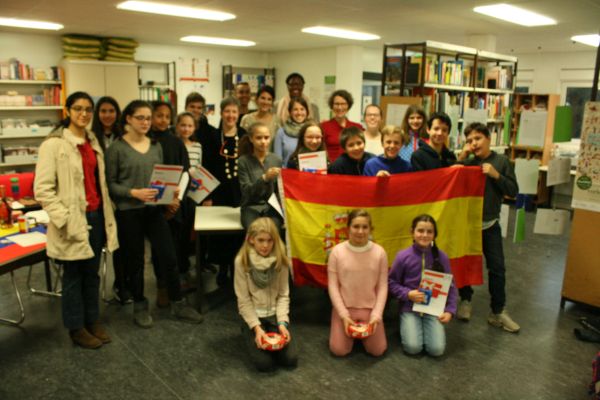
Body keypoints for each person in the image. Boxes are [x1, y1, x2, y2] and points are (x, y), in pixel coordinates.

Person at [105, 100, 203, 328]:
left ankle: (178, 303)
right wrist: (133, 192)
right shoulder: (116, 149)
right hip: (129, 212)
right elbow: (110, 185)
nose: (145, 122)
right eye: (140, 118)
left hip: (154, 211)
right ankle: (139, 306)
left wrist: (170, 192)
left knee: (169, 257)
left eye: (148, 118)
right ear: (128, 119)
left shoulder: (155, 146)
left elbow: (159, 178)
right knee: (136, 262)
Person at [34, 91, 118, 349]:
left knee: (92, 274)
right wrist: (64, 218)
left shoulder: (92, 141)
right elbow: (43, 190)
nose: (84, 114)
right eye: (78, 108)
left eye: (88, 109)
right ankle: (76, 328)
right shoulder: (53, 144)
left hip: (96, 215)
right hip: (73, 219)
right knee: (73, 276)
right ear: (67, 111)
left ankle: (92, 320)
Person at [455, 122, 520, 333]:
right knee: (465, 264)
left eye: (478, 138)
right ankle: (465, 300)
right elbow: (450, 181)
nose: (474, 143)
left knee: (497, 268)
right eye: (469, 141)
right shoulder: (468, 163)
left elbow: (513, 190)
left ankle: (498, 311)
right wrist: (461, 159)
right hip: (467, 225)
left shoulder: (501, 162)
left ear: (488, 138)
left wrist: (496, 175)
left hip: (490, 224)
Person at [234, 217, 298, 372]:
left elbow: (283, 295)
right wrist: (257, 328)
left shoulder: (281, 261)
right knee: (264, 364)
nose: (265, 245)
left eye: (270, 241)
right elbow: (243, 300)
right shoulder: (241, 261)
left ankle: (273, 332)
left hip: (275, 316)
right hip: (254, 317)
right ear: (251, 240)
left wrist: (282, 323)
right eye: (261, 240)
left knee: (290, 360)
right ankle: (247, 331)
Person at [388, 214, 457, 357]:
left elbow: (450, 285)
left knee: (436, 350)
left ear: (434, 234)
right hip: (409, 308)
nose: (424, 235)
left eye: (429, 231)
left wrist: (450, 310)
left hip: (433, 310)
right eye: (420, 230)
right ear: (412, 232)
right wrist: (407, 294)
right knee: (413, 348)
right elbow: (391, 282)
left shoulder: (442, 257)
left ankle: (421, 329)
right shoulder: (403, 256)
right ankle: (407, 325)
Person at [327, 209, 388, 357]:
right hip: (345, 309)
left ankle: (361, 337)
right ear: (348, 228)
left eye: (364, 227)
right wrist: (343, 315)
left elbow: (382, 286)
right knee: (339, 350)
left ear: (370, 229)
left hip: (370, 309)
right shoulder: (336, 252)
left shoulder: (380, 253)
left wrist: (376, 315)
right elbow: (333, 286)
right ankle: (350, 335)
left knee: (378, 350)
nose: (360, 231)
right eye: (356, 226)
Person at [149, 101, 192, 300]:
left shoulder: (176, 142)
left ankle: (175, 288)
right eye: (159, 115)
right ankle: (161, 286)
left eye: (167, 116)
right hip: (154, 203)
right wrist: (163, 201)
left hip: (175, 203)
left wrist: (176, 200)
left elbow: (185, 173)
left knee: (175, 246)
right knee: (158, 250)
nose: (163, 120)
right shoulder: (147, 141)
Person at [201, 97, 247, 285]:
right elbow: (206, 166)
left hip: (239, 191)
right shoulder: (213, 136)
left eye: (234, 112)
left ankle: (237, 267)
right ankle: (222, 268)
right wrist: (208, 195)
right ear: (221, 113)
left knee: (238, 231)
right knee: (220, 234)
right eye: (227, 111)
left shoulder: (244, 135)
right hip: (219, 191)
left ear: (238, 114)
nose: (230, 115)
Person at [238, 122, 283, 235]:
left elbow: (279, 190)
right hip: (250, 207)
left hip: (272, 207)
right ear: (251, 139)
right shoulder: (243, 161)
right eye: (259, 138)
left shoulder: (276, 160)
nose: (263, 141)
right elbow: (246, 191)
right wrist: (264, 178)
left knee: (273, 232)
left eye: (266, 137)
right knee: (254, 232)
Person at [321, 89, 363, 163]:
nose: (340, 107)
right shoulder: (324, 126)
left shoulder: (357, 127)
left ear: (348, 106)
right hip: (332, 167)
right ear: (332, 106)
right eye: (337, 104)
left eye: (343, 104)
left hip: (353, 166)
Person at [273, 97, 309, 166]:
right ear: (290, 112)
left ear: (307, 112)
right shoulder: (281, 132)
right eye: (295, 109)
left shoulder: (312, 131)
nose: (299, 113)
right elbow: (277, 161)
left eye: (302, 109)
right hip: (287, 171)